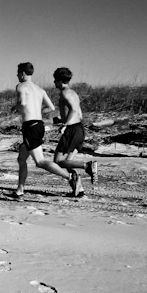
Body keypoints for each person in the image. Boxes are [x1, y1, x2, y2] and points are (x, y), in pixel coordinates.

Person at [12, 62, 74, 198]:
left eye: (17, 72)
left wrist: (15, 107)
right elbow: (51, 108)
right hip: (39, 125)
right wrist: (35, 110)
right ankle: (20, 190)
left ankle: (71, 177)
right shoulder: (40, 90)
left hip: (30, 127)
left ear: (22, 73)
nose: (16, 75)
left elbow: (22, 102)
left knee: (40, 162)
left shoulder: (20, 86)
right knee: (22, 158)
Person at [52, 67, 98, 196]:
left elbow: (73, 110)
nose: (54, 82)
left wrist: (65, 125)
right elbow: (80, 114)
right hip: (79, 128)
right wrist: (61, 120)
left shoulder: (65, 93)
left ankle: (87, 166)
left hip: (72, 129)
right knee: (68, 163)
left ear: (60, 80)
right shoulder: (73, 93)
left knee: (57, 161)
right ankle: (79, 190)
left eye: (55, 79)